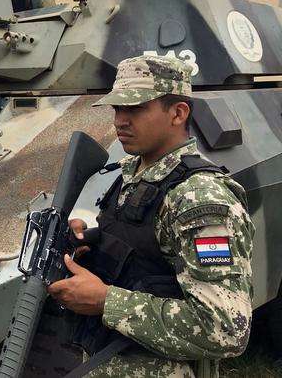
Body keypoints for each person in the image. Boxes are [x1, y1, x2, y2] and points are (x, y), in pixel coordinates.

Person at [47, 55, 254, 377]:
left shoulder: (199, 199)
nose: (120, 121)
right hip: (108, 354)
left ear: (178, 112)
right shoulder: (134, 173)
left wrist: (106, 301)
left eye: (136, 108)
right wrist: (93, 241)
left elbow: (225, 330)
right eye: (117, 108)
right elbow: (145, 250)